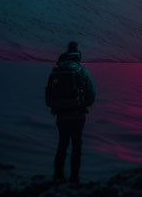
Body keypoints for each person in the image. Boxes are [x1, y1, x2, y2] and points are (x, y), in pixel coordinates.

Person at [45, 41, 96, 184]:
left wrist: (57, 107)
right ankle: (74, 178)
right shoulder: (81, 70)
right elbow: (91, 93)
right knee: (76, 146)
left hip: (61, 115)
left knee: (62, 145)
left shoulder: (57, 69)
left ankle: (58, 176)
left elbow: (49, 95)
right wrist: (84, 104)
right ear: (77, 54)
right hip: (78, 115)